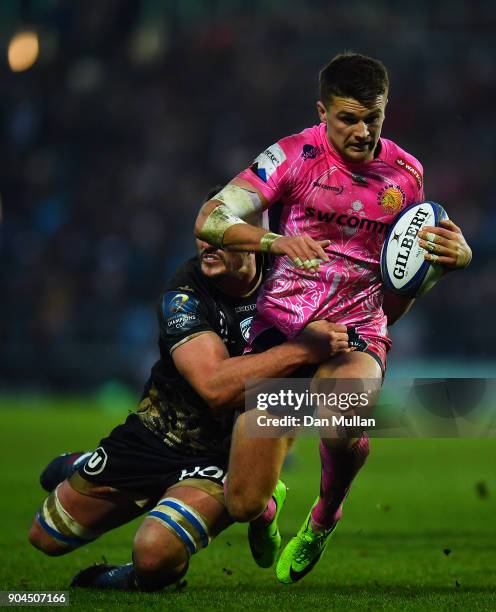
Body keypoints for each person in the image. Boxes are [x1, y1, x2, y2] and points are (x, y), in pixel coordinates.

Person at [195, 52, 472, 584]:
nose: (363, 131)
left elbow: (402, 277)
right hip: (283, 326)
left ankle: (324, 516)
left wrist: (453, 262)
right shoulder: (292, 156)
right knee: (244, 500)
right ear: (322, 112)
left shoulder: (407, 175)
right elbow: (211, 219)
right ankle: (269, 505)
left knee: (341, 418)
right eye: (349, 118)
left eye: (374, 117)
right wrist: (275, 239)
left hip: (358, 329)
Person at [28, 212, 348, 592]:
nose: (207, 245)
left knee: (152, 555)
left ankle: (136, 577)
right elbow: (214, 387)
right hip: (158, 434)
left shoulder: (294, 279)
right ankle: (85, 462)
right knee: (45, 538)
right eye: (203, 235)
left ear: (255, 239)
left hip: (226, 457)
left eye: (222, 236)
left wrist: (431, 267)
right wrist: (302, 349)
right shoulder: (184, 293)